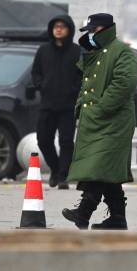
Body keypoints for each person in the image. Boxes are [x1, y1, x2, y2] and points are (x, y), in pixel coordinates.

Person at [62, 13, 137, 230]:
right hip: (97, 120)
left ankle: (84, 212)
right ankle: (117, 218)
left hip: (114, 121)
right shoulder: (96, 53)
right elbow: (86, 83)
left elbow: (124, 84)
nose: (91, 36)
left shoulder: (121, 52)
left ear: (105, 30)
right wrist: (82, 107)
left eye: (93, 31)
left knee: (99, 166)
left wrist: (101, 108)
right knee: (108, 170)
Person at [31, 15, 82, 190]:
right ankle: (55, 168)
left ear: (69, 30)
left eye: (62, 26)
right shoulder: (44, 50)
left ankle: (63, 176)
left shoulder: (76, 51)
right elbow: (36, 72)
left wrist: (74, 90)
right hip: (47, 104)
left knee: (66, 142)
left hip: (68, 105)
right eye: (55, 26)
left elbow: (82, 76)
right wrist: (41, 85)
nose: (58, 29)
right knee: (43, 139)